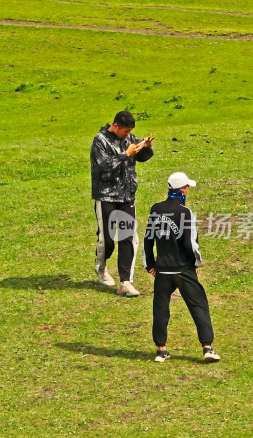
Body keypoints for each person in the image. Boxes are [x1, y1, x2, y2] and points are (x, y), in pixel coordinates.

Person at [143, 172, 220, 363]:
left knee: (160, 308)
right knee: (198, 305)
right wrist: (196, 264)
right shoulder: (185, 213)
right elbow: (191, 243)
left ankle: (161, 350)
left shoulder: (156, 209)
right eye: (187, 188)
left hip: (163, 270)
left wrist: (150, 265)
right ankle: (207, 348)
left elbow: (148, 239)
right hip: (183, 269)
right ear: (183, 190)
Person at [91, 111, 154, 297]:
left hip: (127, 196)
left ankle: (125, 282)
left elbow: (141, 158)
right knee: (107, 239)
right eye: (126, 131)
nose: (128, 135)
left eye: (130, 132)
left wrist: (146, 147)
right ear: (116, 126)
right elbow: (105, 165)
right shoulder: (100, 140)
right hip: (106, 197)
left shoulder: (129, 138)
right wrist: (125, 154)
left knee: (127, 237)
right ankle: (101, 268)